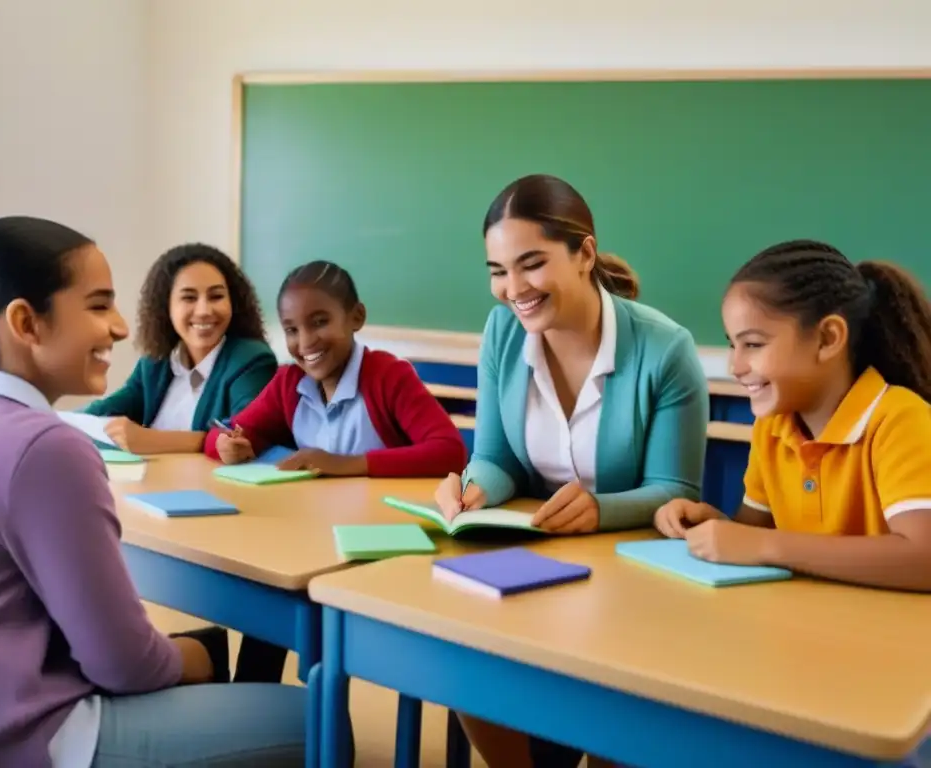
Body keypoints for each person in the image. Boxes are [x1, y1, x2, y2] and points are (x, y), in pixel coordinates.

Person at [0, 217, 306, 768]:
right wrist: (197, 660)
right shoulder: (44, 448)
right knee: (317, 721)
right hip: (28, 739)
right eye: (98, 305)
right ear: (26, 322)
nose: (120, 327)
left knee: (195, 651)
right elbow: (124, 667)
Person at [434, 174, 709, 768]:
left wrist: (601, 509)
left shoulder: (666, 349)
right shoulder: (501, 332)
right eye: (498, 270)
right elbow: (497, 455)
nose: (513, 288)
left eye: (531, 264)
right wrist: (477, 486)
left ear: (584, 254)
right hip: (533, 568)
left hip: (632, 589)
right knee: (465, 658)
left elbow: (676, 490)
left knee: (615, 711)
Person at [655, 239, 931, 593]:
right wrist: (712, 528)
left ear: (828, 338)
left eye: (753, 344)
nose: (734, 366)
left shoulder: (899, 420)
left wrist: (764, 546)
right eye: (731, 344)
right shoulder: (773, 428)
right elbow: (757, 534)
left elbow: (924, 558)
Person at [205, 260, 468, 478]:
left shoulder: (388, 376)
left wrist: (345, 464)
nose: (306, 342)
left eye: (320, 322)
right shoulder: (288, 382)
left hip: (382, 524)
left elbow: (451, 452)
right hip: (317, 524)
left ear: (356, 317)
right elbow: (224, 432)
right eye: (292, 330)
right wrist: (226, 445)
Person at [83, 243, 276, 454]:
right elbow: (108, 408)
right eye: (189, 298)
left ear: (233, 303)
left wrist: (153, 440)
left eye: (216, 296)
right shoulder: (157, 361)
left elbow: (245, 433)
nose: (203, 311)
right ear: (166, 307)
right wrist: (55, 419)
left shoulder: (251, 360)